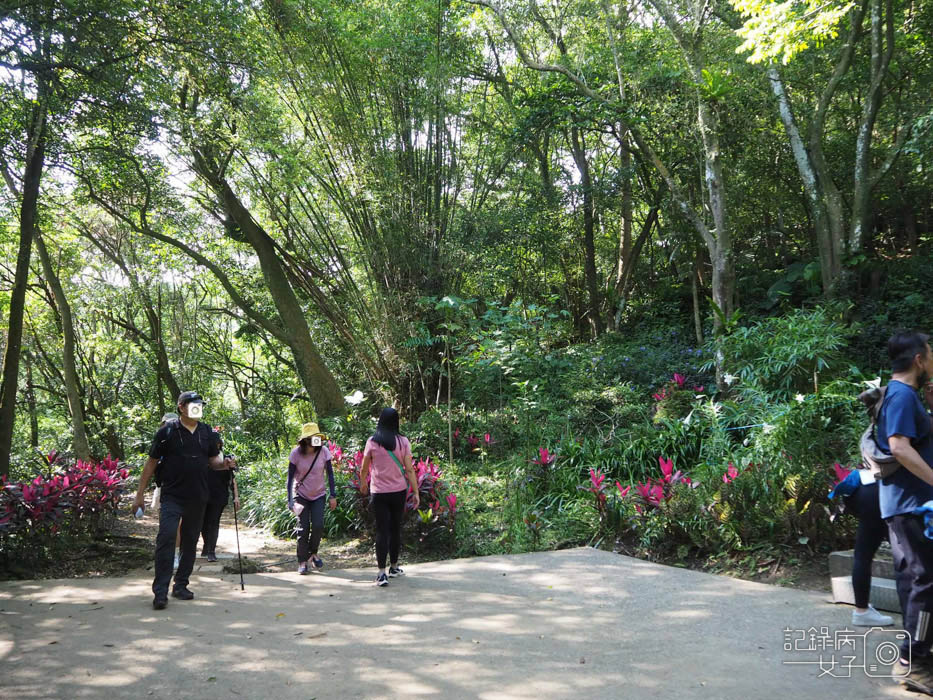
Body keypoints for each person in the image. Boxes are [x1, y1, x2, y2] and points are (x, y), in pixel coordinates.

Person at [134, 391, 235, 610]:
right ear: (181, 407)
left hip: (198, 496)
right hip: (172, 495)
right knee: (167, 537)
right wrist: (140, 494)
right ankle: (160, 591)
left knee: (190, 541)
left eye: (200, 405)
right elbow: (151, 463)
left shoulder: (206, 432)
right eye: (194, 404)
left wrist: (225, 464)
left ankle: (181, 585)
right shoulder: (167, 431)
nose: (198, 408)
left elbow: (213, 462)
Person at [875, 331, 933, 693]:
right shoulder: (899, 394)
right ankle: (913, 661)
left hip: (913, 507)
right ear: (918, 360)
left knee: (922, 585)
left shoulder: (907, 396)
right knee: (922, 585)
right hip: (907, 508)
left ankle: (919, 654)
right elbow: (899, 447)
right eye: (931, 353)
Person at [359, 407, 419, 587]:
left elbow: (364, 467)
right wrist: (415, 491)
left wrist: (363, 483)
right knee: (395, 528)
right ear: (396, 422)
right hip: (398, 491)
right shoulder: (403, 441)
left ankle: (381, 573)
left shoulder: (372, 442)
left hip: (379, 492)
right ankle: (393, 566)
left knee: (382, 531)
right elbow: (409, 469)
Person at [829, 470, 894, 626]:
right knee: (907, 555)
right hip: (882, 491)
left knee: (863, 555)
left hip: (862, 489)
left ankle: (861, 611)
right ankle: (916, 618)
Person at [287, 423, 337, 575]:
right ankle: (302, 561)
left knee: (318, 526)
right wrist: (290, 499)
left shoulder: (324, 451)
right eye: (313, 438)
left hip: (319, 495)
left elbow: (330, 474)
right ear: (306, 440)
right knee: (303, 528)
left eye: (318, 438)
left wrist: (333, 495)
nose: (317, 441)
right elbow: (289, 479)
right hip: (301, 495)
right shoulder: (296, 453)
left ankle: (313, 552)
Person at [200, 428, 240, 562]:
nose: (216, 446)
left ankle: (211, 550)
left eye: (217, 444)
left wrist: (236, 496)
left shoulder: (227, 458)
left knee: (213, 522)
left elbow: (232, 479)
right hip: (203, 494)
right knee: (203, 523)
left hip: (219, 495)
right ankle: (207, 545)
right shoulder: (203, 458)